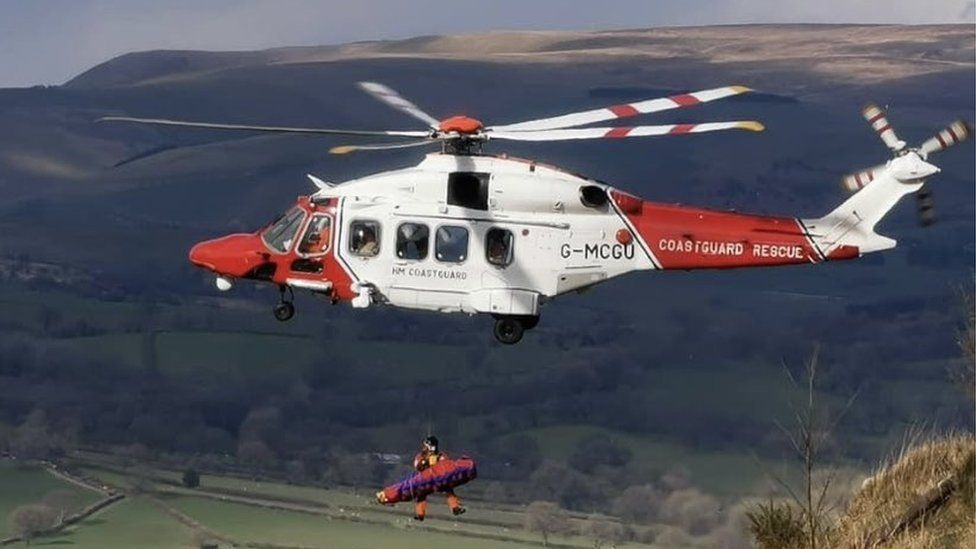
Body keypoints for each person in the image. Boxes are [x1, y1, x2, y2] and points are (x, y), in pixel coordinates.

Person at [413, 435, 465, 521]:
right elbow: (417, 466)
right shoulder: (421, 456)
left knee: (449, 490)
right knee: (421, 495)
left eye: (426, 446)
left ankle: (455, 508)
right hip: (425, 479)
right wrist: (424, 462)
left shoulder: (441, 456)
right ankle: (420, 514)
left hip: (438, 479)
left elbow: (447, 467)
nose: (424, 448)